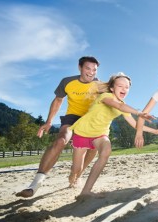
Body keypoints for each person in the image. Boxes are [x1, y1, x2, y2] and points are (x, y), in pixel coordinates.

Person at [16, 56, 101, 198]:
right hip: (72, 117)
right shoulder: (67, 82)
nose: (91, 72)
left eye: (94, 70)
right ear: (80, 67)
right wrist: (49, 121)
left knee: (94, 149)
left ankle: (76, 176)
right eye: (88, 68)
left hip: (90, 119)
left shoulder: (100, 85)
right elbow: (58, 100)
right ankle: (34, 185)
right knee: (61, 141)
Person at [70, 73, 158, 200]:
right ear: (112, 88)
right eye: (120, 86)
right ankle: (73, 176)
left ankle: (86, 191)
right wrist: (139, 112)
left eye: (127, 87)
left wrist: (155, 132)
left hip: (100, 134)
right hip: (83, 132)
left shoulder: (124, 105)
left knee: (106, 151)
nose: (124, 89)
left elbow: (135, 125)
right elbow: (118, 105)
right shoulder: (105, 96)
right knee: (76, 169)